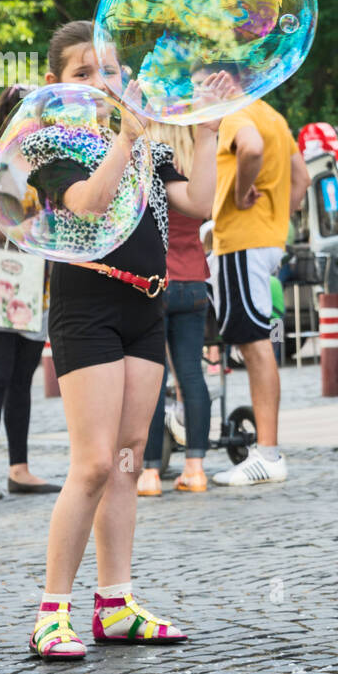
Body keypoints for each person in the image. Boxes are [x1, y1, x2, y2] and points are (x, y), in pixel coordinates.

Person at [25, 21, 221, 659]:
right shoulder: (50, 147)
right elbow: (87, 202)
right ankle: (52, 612)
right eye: (83, 73)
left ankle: (116, 603)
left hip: (146, 304)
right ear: (56, 84)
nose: (100, 82)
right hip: (87, 309)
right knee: (93, 462)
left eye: (108, 70)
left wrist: (210, 130)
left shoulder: (146, 144)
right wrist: (125, 141)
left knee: (132, 456)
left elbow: (201, 200)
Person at [210, 99, 310, 486]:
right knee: (256, 340)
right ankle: (266, 452)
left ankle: (267, 454)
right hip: (265, 241)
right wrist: (276, 220)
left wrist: (238, 194)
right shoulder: (273, 115)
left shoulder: (237, 114)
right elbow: (301, 179)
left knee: (254, 343)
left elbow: (250, 149)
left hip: (240, 240)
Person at [138, 125, 213, 495]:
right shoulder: (195, 165)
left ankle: (150, 473)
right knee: (192, 376)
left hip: (158, 281)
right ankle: (196, 468)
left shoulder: (153, 165)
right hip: (195, 279)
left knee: (154, 380)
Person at [0, 85, 58, 498]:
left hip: (38, 282)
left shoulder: (48, 166)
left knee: (21, 378)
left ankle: (20, 468)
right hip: (3, 280)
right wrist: (25, 230)